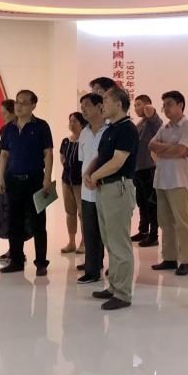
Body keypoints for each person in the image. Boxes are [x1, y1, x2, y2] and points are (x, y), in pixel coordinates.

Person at [84, 87, 138, 310]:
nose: (102, 105)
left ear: (119, 104)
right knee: (109, 240)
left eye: (106, 100)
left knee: (119, 242)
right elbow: (101, 156)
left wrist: (94, 176)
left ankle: (123, 294)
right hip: (105, 188)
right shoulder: (110, 129)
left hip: (118, 188)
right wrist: (89, 172)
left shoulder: (127, 129)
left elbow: (117, 162)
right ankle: (114, 286)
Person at [0, 89, 54, 276]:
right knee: (14, 222)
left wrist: (47, 178)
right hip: (13, 181)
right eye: (17, 102)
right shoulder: (8, 128)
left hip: (35, 180)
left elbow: (48, 153)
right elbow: (4, 155)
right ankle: (16, 260)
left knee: (38, 223)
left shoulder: (41, 126)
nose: (19, 106)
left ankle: (41, 263)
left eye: (24, 102)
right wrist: (1, 178)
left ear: (33, 105)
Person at [149, 90, 188, 276]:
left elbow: (182, 151)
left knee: (182, 222)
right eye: (164, 105)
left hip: (178, 181)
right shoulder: (164, 127)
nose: (165, 108)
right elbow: (151, 145)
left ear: (180, 105)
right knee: (165, 222)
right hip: (161, 181)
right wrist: (172, 148)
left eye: (169, 104)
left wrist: (166, 150)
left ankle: (185, 260)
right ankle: (169, 258)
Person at [77, 93, 106, 285]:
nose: (83, 109)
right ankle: (92, 270)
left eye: (87, 105)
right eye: (82, 106)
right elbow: (83, 160)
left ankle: (114, 268)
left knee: (108, 233)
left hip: (106, 189)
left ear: (99, 106)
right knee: (90, 232)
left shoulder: (110, 130)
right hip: (87, 191)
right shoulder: (84, 132)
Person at [131, 94, 162, 247]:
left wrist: (150, 109)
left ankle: (153, 235)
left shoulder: (152, 121)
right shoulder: (140, 123)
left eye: (139, 104)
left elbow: (154, 116)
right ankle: (143, 231)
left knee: (151, 203)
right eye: (135, 105)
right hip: (138, 170)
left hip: (149, 168)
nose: (136, 108)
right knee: (141, 202)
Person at [60, 112, 87, 254]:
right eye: (70, 121)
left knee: (83, 213)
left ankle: (84, 242)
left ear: (82, 123)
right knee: (70, 212)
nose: (71, 123)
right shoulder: (66, 141)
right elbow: (62, 158)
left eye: (75, 121)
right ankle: (71, 242)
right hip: (66, 181)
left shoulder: (86, 140)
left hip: (80, 182)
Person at [0, 99, 17, 263]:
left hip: (10, 174)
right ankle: (13, 249)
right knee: (9, 212)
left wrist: (2, 177)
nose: (2, 116)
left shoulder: (12, 128)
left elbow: (5, 154)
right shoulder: (6, 128)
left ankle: (14, 251)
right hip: (5, 173)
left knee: (12, 212)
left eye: (4, 113)